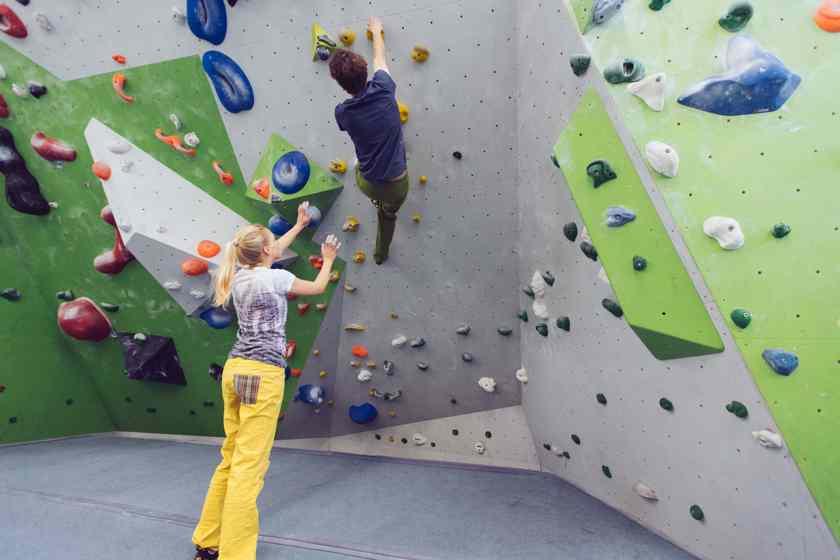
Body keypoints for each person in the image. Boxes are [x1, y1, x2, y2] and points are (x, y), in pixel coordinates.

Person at [191, 202, 341, 560]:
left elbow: (271, 250)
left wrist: (301, 223)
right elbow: (319, 286)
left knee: (230, 457)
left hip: (236, 370)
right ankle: (236, 554)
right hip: (263, 374)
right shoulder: (276, 278)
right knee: (249, 468)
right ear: (267, 252)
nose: (277, 246)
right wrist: (330, 257)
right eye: (274, 243)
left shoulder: (238, 275)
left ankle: (208, 542)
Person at [330, 16, 408, 265]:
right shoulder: (384, 86)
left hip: (369, 182)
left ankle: (378, 202)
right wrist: (376, 32)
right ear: (366, 72)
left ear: (342, 86)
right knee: (388, 216)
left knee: (356, 164)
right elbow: (379, 59)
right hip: (397, 186)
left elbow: (347, 123)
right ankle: (380, 253)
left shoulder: (342, 112)